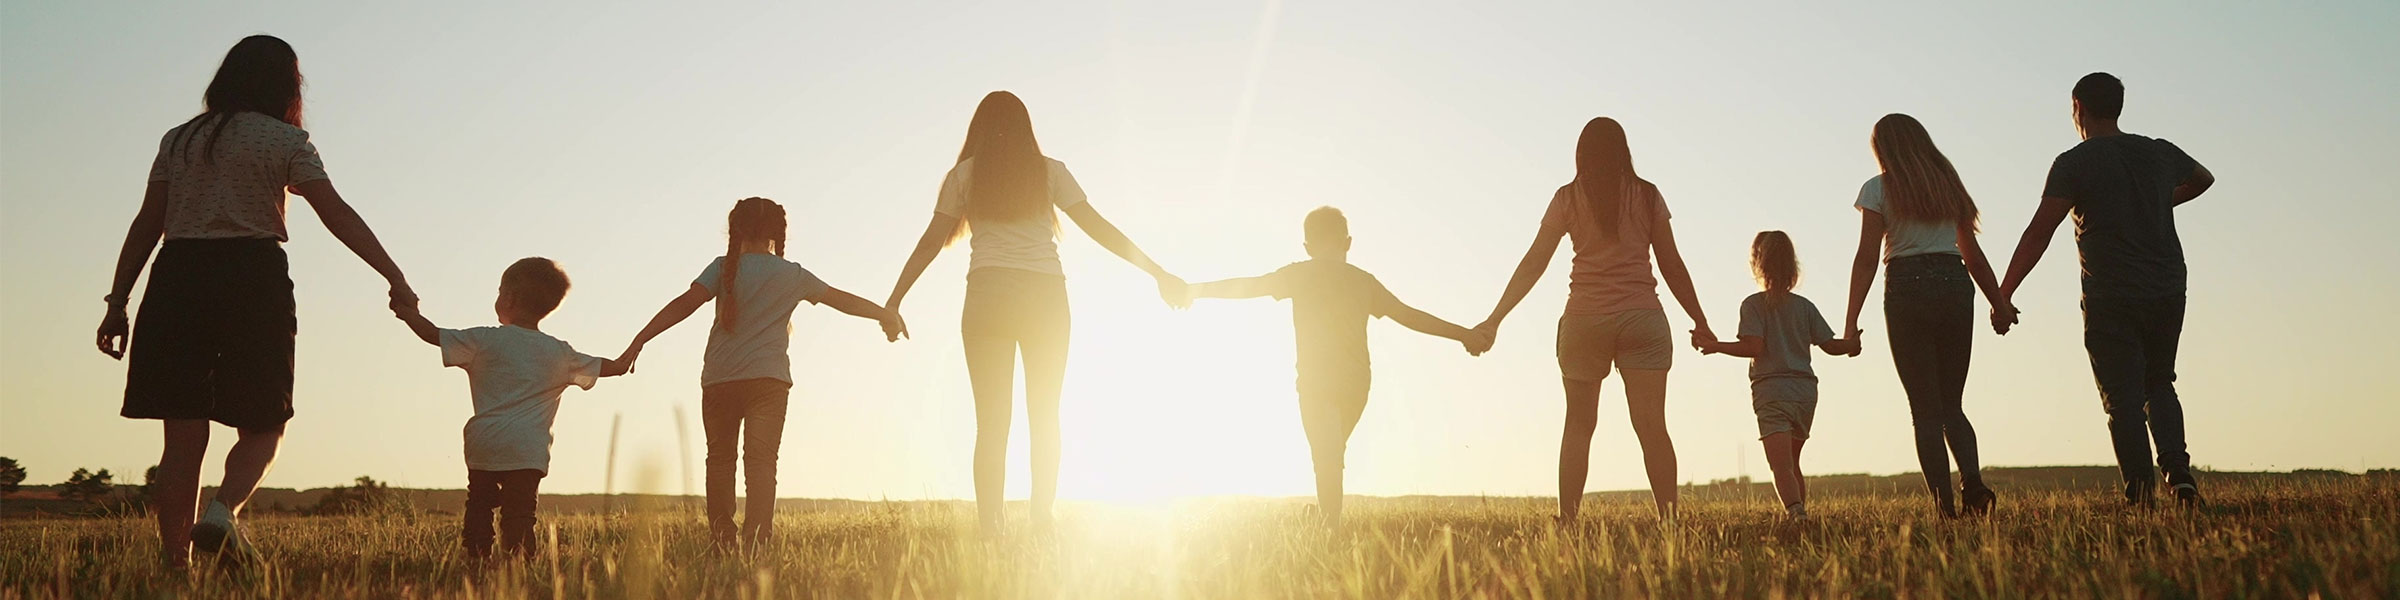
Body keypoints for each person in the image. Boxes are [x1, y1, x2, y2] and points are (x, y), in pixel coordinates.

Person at [95, 35, 416, 569]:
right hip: (251, 276)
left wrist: (117, 300)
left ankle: (178, 567)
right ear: (286, 85)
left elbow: (148, 222)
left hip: (177, 278)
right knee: (267, 421)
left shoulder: (179, 140)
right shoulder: (285, 140)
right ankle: (222, 513)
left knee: (182, 435)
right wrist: (395, 276)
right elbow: (336, 214)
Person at [883, 91, 1185, 536]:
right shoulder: (1049, 172)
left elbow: (931, 241)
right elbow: (1099, 227)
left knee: (992, 423)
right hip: (1044, 298)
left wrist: (894, 301)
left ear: (978, 129)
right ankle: (1042, 519)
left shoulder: (964, 175)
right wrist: (1157, 271)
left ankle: (992, 527)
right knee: (1045, 415)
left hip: (987, 297)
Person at [1170, 207, 1488, 527]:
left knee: (1328, 457)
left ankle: (1329, 529)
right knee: (1331, 455)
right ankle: (1323, 518)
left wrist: (1196, 289)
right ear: (1348, 243)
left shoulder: (1299, 273)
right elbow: (1408, 315)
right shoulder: (1364, 281)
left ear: (1306, 247)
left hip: (1316, 383)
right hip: (1356, 384)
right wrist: (1464, 334)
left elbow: (1250, 286)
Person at [621, 197, 903, 548]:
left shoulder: (723, 267)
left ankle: (723, 539)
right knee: (762, 462)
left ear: (734, 229)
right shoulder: (793, 275)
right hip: (769, 382)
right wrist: (885, 314)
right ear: (777, 232)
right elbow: (841, 300)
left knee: (720, 460)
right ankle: (757, 543)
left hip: (720, 379)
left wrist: (641, 339)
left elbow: (684, 304)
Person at [1472, 117, 1715, 523]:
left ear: (1581, 153)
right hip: (1643, 318)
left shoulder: (1568, 198)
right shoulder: (1647, 195)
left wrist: (1496, 318)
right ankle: (1669, 522)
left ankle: (1569, 519)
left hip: (1585, 321)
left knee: (1579, 426)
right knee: (1652, 427)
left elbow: (1535, 261)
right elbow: (1671, 263)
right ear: (1624, 152)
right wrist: (1700, 320)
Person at [1995, 73, 2216, 508]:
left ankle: (2141, 494)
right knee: (2160, 382)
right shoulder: (2158, 151)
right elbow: (2204, 178)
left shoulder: (2074, 162)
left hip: (2110, 293)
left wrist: (2004, 293)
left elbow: (2040, 231)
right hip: (2167, 286)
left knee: (2122, 398)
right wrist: (2155, 200)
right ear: (2118, 105)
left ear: (2078, 106)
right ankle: (2179, 474)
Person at [392, 258, 630, 559]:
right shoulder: (560, 354)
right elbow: (603, 368)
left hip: (486, 442)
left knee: (479, 503)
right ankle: (518, 563)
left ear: (508, 298)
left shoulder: (483, 340)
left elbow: (432, 334)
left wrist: (408, 314)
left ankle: (477, 558)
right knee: (519, 512)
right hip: (527, 448)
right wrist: (624, 361)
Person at [1838, 114, 2011, 518]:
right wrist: (1998, 304)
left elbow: (1866, 259)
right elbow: (1973, 255)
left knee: (1925, 410)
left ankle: (1944, 508)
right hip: (1954, 284)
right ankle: (1973, 484)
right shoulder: (1948, 186)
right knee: (1952, 403)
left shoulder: (1877, 189)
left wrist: (1850, 324)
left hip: (1906, 287)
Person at [1697, 232, 1859, 521]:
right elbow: (1831, 345)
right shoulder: (1804, 307)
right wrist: (1851, 344)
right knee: (1792, 462)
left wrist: (1715, 346)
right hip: (1805, 392)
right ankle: (1800, 515)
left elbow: (1753, 346)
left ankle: (1796, 515)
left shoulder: (1753, 305)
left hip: (1772, 390)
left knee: (1780, 464)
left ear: (1758, 264)